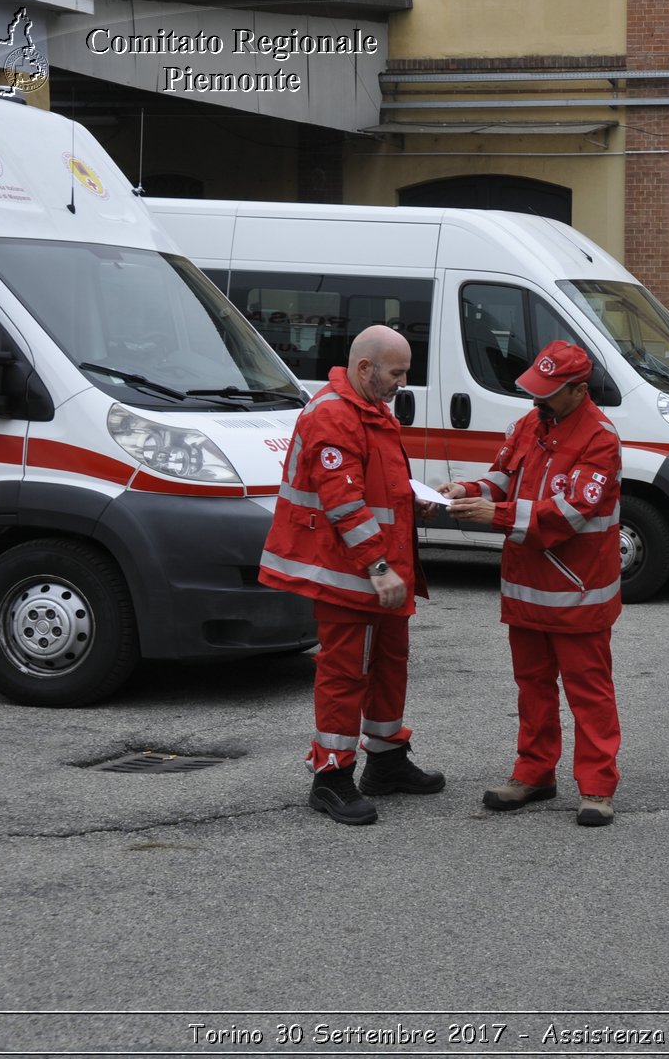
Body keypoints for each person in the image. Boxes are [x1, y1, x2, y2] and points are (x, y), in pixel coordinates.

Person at [259, 325, 444, 825]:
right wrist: (379, 567)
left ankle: (385, 761)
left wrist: (413, 502)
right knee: (344, 675)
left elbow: (378, 488)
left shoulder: (368, 408)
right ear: (366, 369)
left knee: (389, 665)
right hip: (352, 572)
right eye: (398, 372)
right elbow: (345, 503)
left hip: (376, 569)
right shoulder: (334, 414)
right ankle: (331, 777)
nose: (403, 383)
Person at [441, 340, 624, 828]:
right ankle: (535, 773)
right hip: (527, 586)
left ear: (578, 391)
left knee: (589, 692)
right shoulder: (531, 423)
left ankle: (597, 787)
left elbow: (568, 514)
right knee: (533, 687)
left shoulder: (600, 438)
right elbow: (504, 476)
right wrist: (468, 490)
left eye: (547, 393)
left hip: (578, 590)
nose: (535, 401)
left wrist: (493, 513)